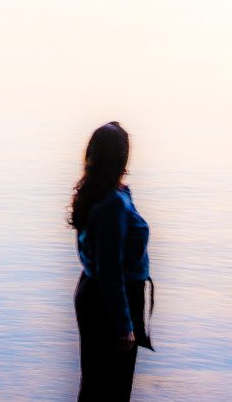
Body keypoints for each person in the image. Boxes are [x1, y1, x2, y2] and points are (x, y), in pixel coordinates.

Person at [70, 122, 152, 402]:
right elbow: (109, 270)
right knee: (110, 389)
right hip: (111, 301)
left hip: (94, 293)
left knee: (96, 383)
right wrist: (123, 326)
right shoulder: (111, 203)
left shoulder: (97, 192)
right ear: (121, 157)